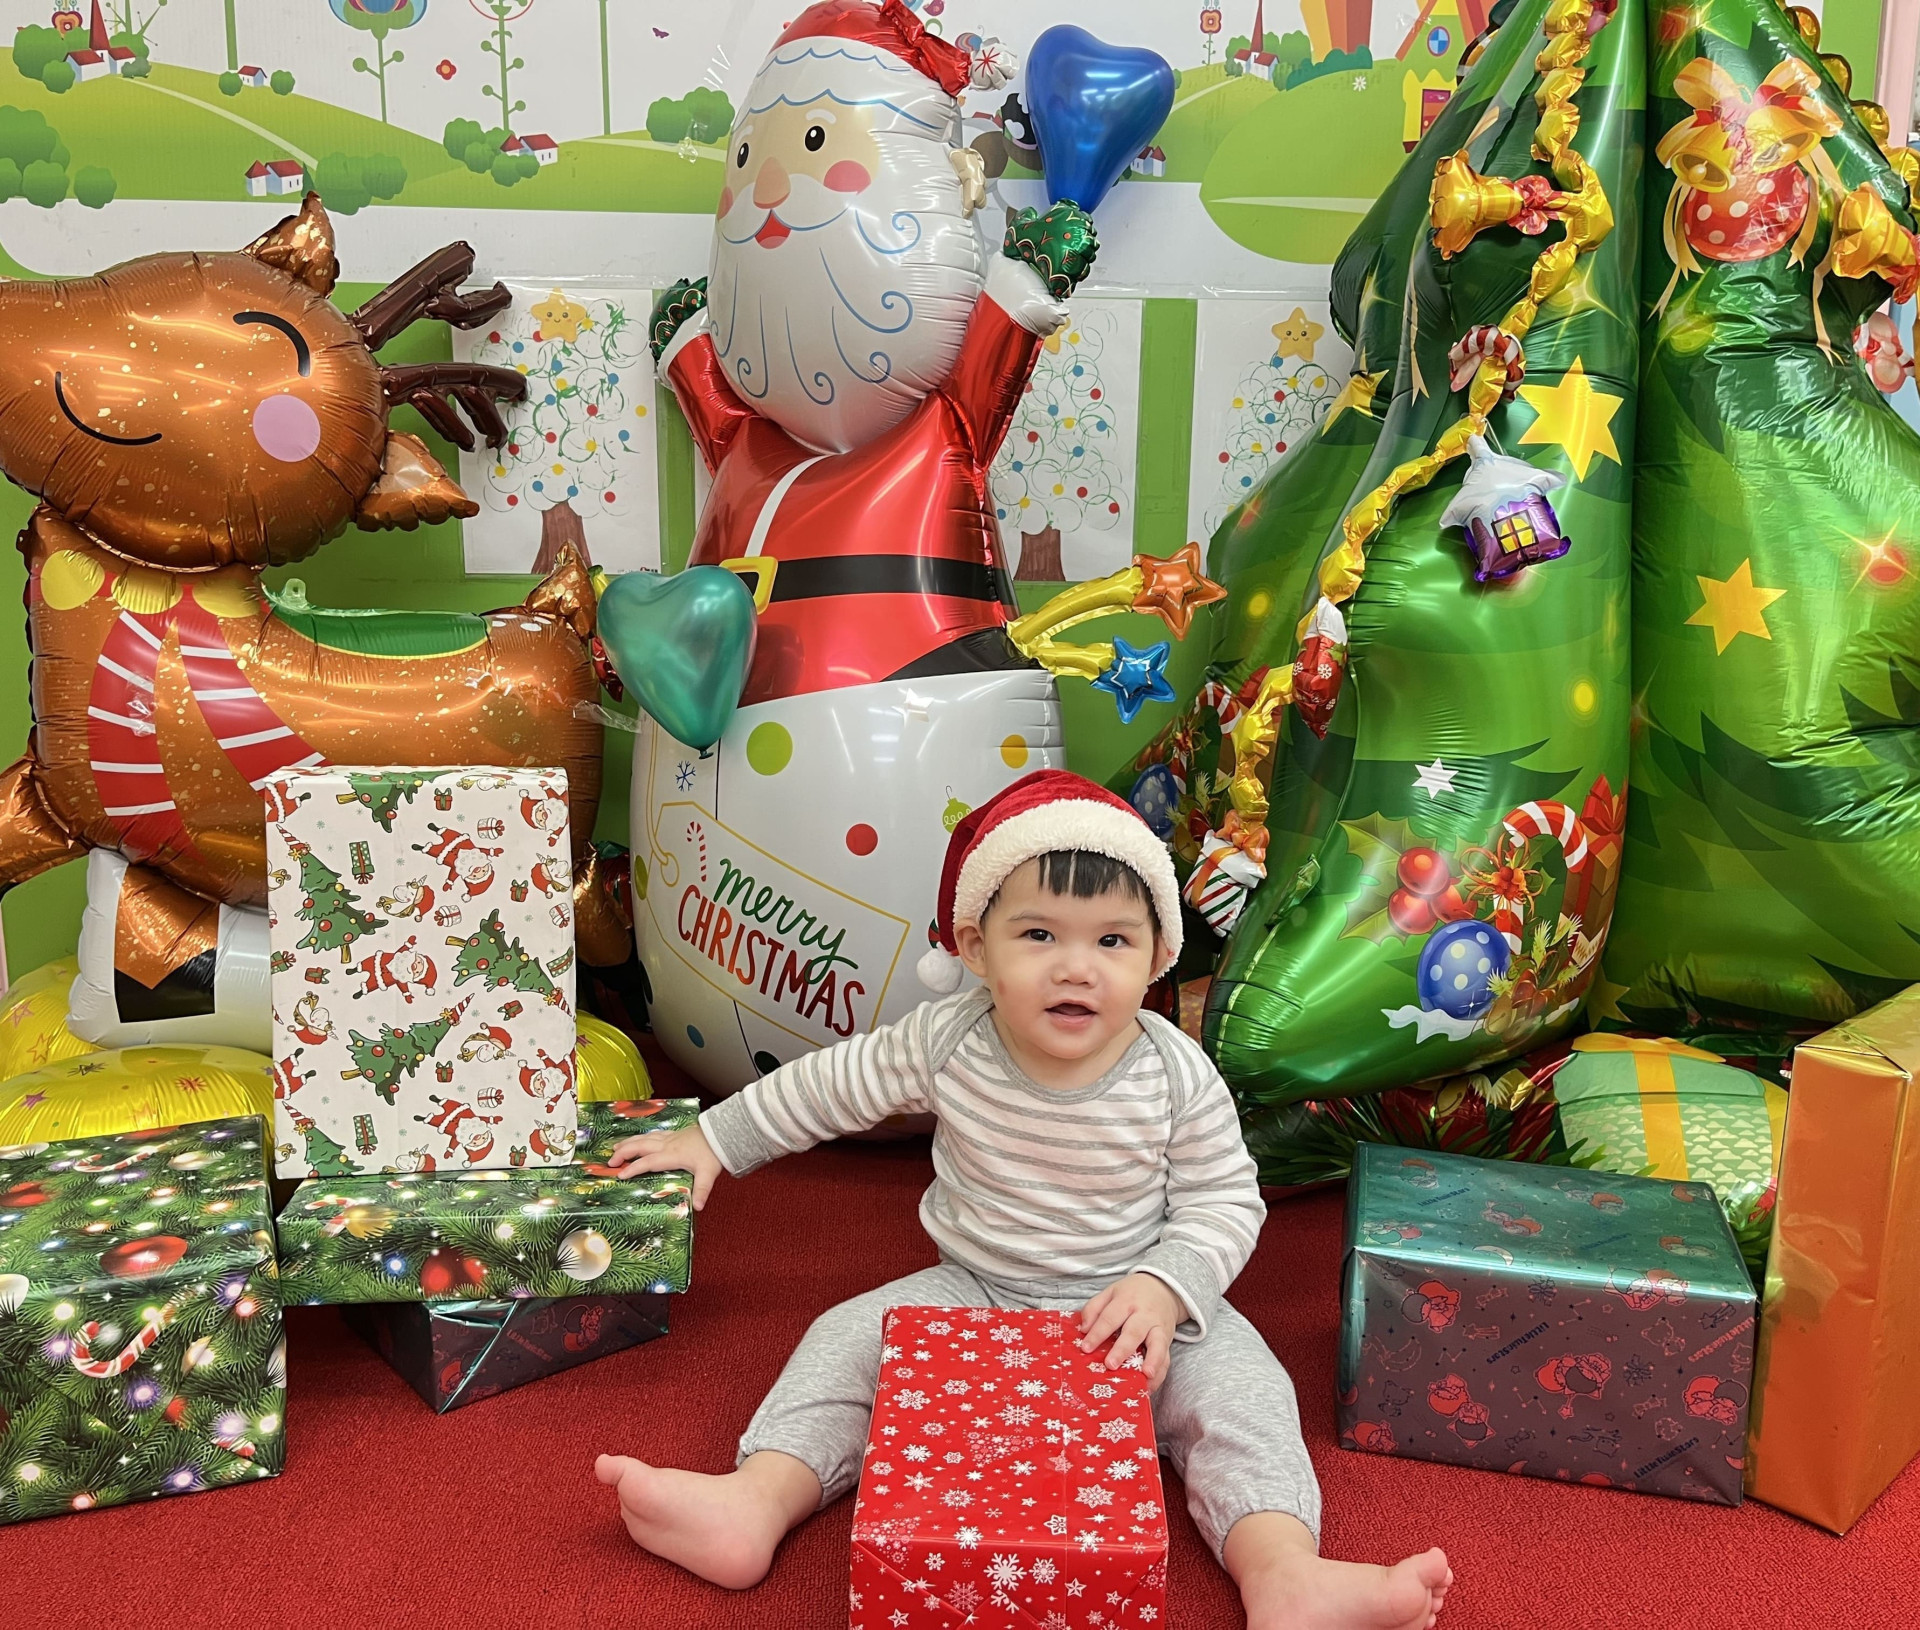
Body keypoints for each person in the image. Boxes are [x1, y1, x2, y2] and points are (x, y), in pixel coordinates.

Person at [596, 770, 1452, 1630]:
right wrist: (713, 1140)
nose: (1075, 967)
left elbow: (1226, 1200)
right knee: (846, 1342)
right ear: (976, 948)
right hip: (976, 1294)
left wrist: (1167, 1286)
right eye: (1038, 934)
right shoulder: (949, 1038)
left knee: (1246, 1392)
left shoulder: (1173, 1071)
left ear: (1158, 955)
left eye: (1112, 941)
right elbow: (828, 1086)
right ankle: (757, 1498)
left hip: (1135, 1314)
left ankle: (1283, 1572)